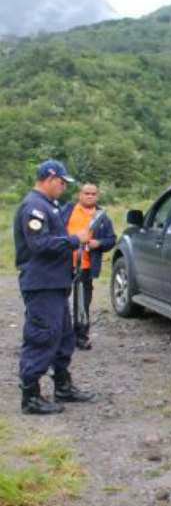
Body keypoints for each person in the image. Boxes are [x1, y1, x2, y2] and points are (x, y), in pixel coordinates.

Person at [13, 160, 95, 415]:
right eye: (61, 182)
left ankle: (62, 384)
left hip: (55, 282)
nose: (62, 188)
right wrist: (73, 240)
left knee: (64, 335)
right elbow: (40, 244)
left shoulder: (49, 205)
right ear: (49, 179)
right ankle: (31, 395)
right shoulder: (34, 207)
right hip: (41, 283)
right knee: (42, 335)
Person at [62, 182, 117, 350]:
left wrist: (98, 243)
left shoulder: (102, 217)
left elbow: (111, 240)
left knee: (83, 303)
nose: (90, 196)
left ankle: (81, 336)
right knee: (59, 300)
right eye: (86, 193)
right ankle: (61, 336)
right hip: (63, 263)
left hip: (85, 266)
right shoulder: (67, 210)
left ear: (97, 196)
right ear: (80, 194)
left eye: (93, 194)